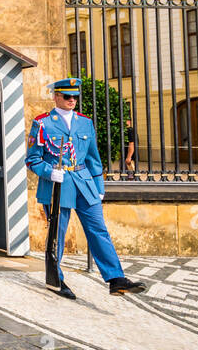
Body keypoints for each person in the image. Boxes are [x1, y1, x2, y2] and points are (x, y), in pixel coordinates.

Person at [27, 78, 147, 299]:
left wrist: (99, 185)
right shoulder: (42, 123)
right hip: (58, 183)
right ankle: (55, 278)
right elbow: (32, 159)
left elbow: (93, 157)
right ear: (56, 96)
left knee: (98, 229)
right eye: (67, 96)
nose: (72, 100)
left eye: (75, 96)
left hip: (84, 182)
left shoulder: (85, 122)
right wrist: (48, 171)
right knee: (58, 233)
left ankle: (116, 279)